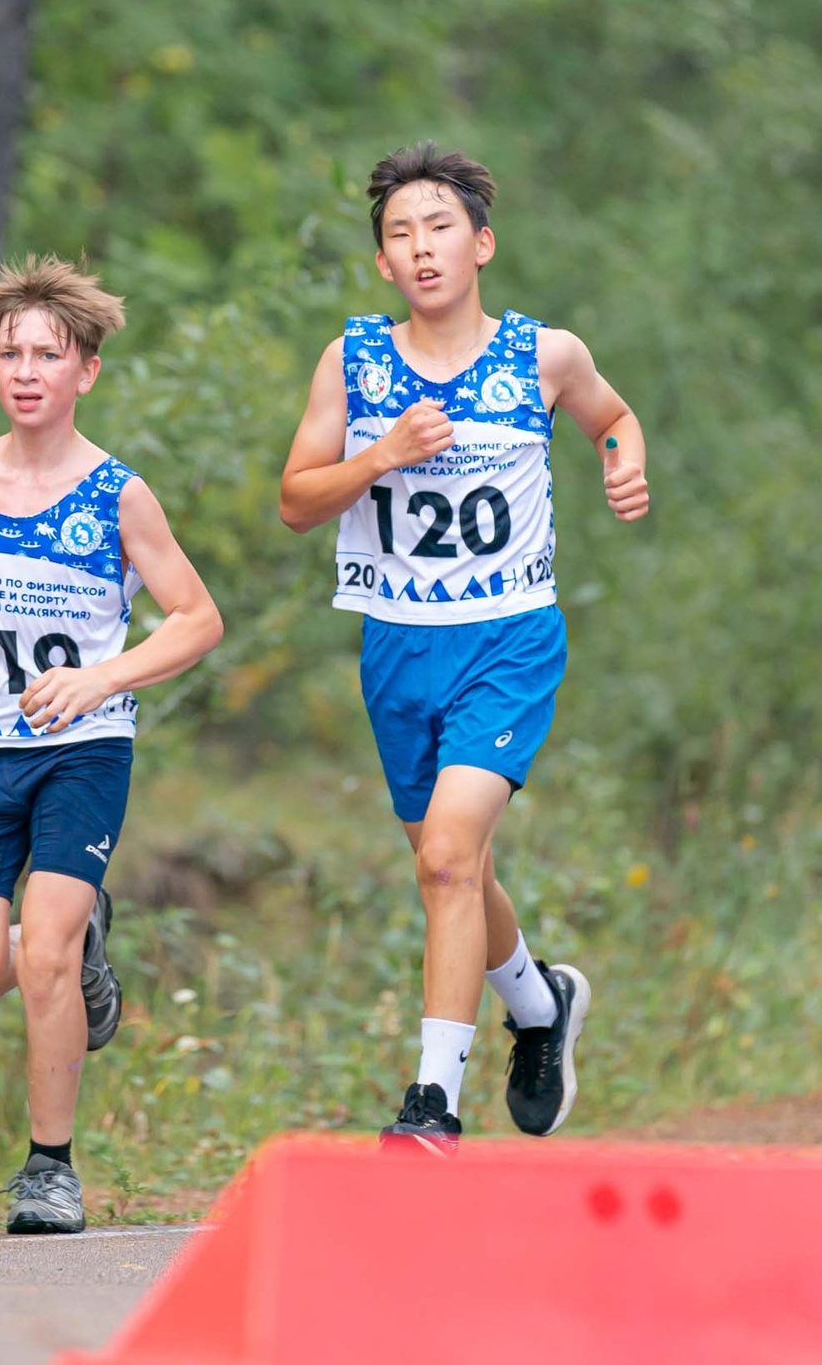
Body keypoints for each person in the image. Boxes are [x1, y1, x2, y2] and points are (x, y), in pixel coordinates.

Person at [277, 142, 650, 1152]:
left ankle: (431, 1103)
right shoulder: (350, 361)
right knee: (454, 870)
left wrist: (623, 465)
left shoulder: (543, 354)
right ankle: (539, 1005)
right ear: (384, 267)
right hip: (399, 647)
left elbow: (611, 418)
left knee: (447, 859)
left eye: (438, 226)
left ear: (480, 244)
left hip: (508, 640)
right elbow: (295, 503)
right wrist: (381, 454)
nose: (421, 246)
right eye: (400, 235)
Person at [0, 255, 224, 1230]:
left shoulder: (118, 495)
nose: (27, 369)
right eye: (10, 353)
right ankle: (73, 945)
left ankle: (50, 1168)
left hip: (84, 748)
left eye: (48, 353)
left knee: (40, 962)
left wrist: (102, 677)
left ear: (86, 373)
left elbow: (197, 619)